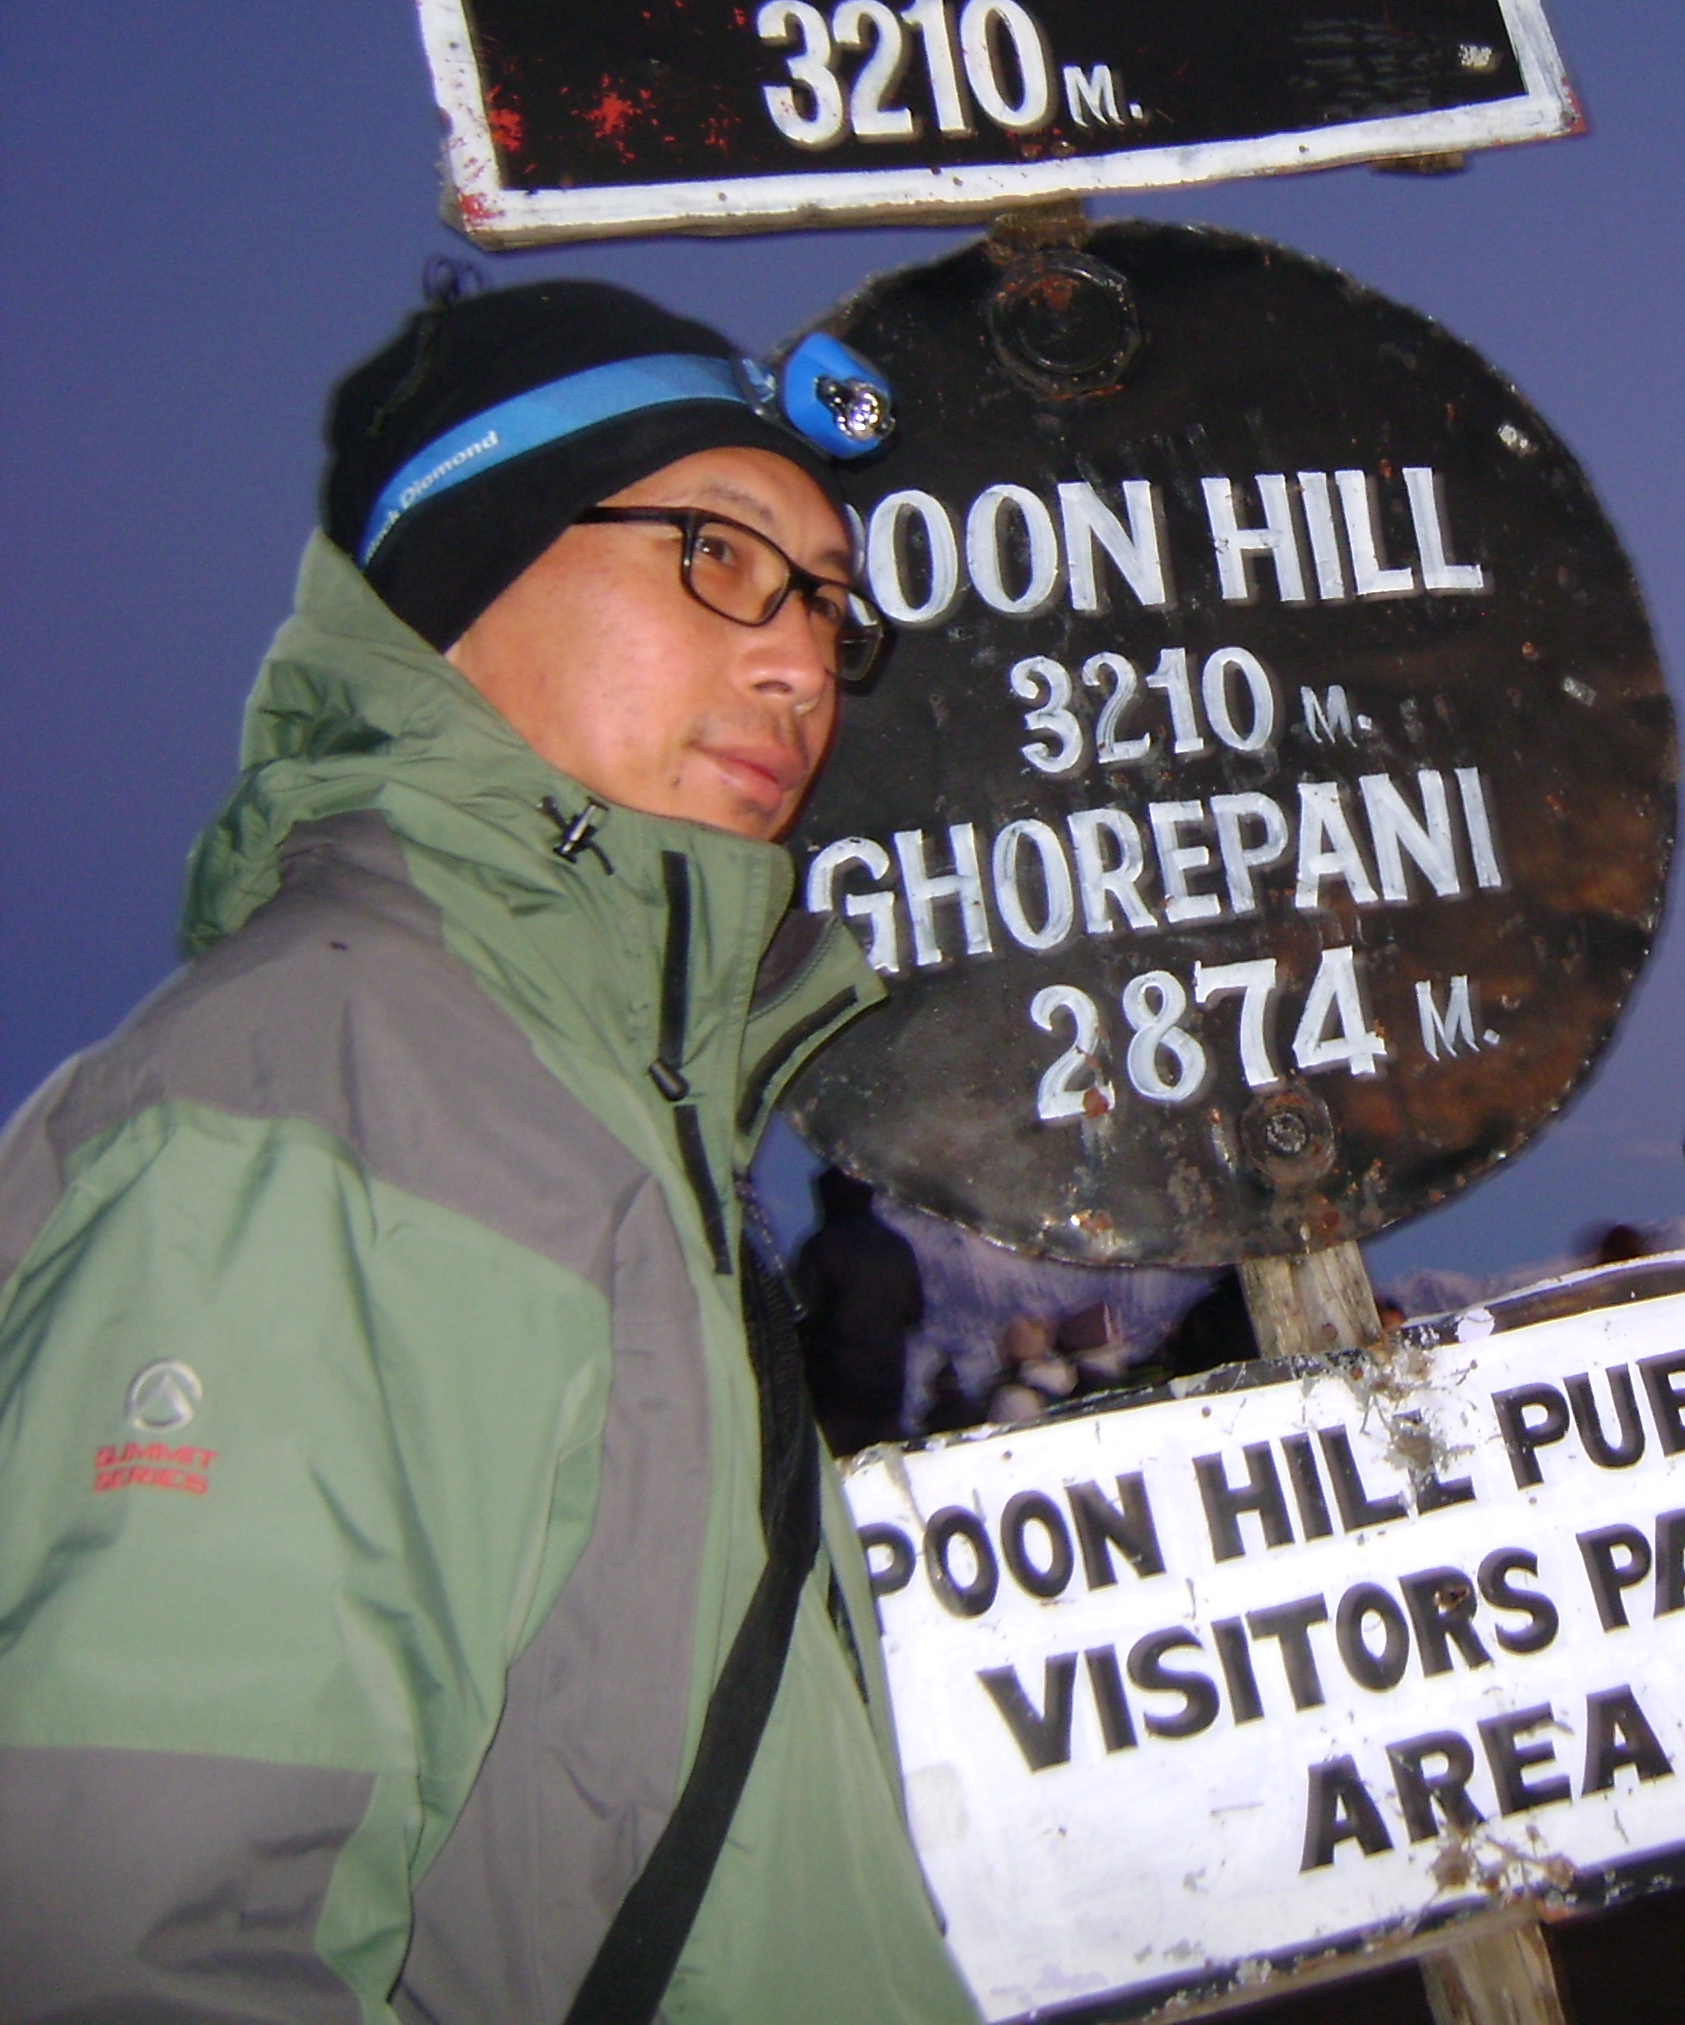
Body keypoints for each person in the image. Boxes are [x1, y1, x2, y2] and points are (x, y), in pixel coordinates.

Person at [0, 279, 980, 2023]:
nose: (799, 657)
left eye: (832, 606)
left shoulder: (598, 1105)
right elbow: (143, 1942)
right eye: (719, 554)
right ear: (457, 591)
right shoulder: (324, 1086)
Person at [791, 1165, 930, 1454]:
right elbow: (915, 1313)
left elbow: (798, 1314)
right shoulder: (896, 1247)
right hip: (886, 1389)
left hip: (832, 1393)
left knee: (835, 1474)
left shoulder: (821, 1247)